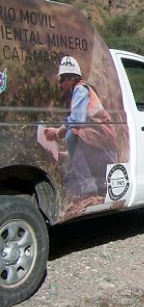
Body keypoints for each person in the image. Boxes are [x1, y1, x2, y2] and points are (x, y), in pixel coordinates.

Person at [44, 56, 117, 201]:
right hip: (100, 150)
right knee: (69, 162)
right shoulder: (80, 92)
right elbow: (82, 148)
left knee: (71, 134)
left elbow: (77, 120)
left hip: (106, 152)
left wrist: (58, 132)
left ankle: (88, 187)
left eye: (61, 80)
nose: (60, 85)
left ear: (71, 79)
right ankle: (90, 186)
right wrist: (64, 154)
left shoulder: (81, 90)